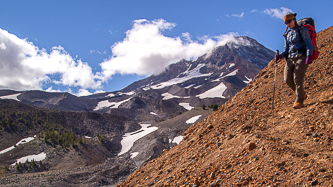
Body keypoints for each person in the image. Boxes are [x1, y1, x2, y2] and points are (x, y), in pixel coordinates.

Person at [275, 13, 313, 109]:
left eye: (289, 21)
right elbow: (286, 49)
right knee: (287, 79)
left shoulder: (302, 30)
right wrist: (280, 55)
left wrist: (309, 55)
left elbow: (309, 44)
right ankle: (302, 94)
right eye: (286, 22)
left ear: (294, 20)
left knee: (297, 79)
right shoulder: (287, 34)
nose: (288, 24)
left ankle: (299, 101)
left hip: (301, 56)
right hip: (290, 57)